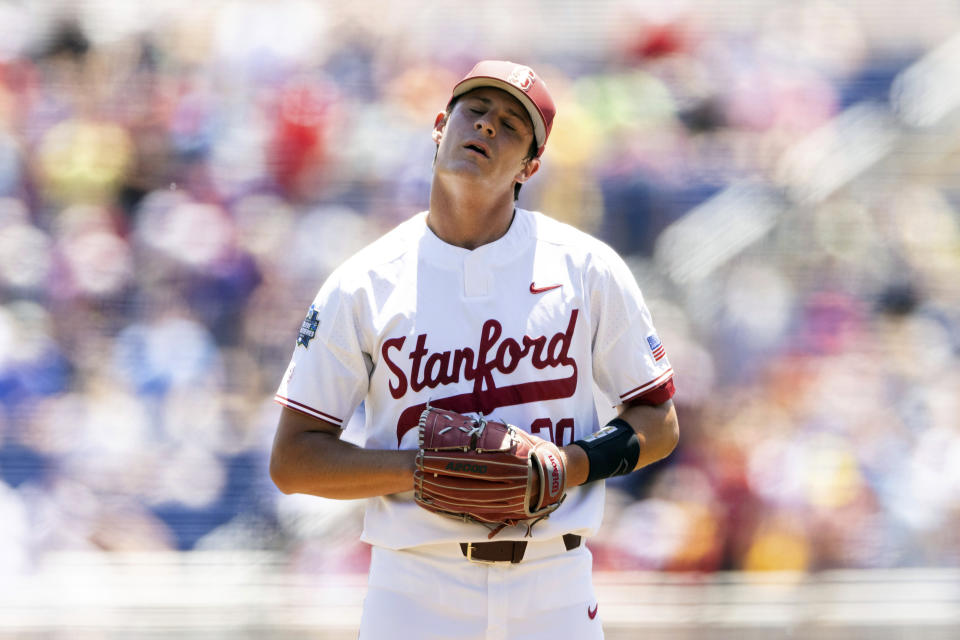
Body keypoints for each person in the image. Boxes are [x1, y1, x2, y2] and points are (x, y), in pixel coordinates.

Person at [269, 60, 679, 639]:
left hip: (552, 583)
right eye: (476, 110)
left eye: (512, 124)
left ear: (530, 166)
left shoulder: (587, 269)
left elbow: (658, 420)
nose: (488, 126)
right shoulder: (363, 282)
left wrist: (568, 465)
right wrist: (421, 470)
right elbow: (292, 460)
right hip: (414, 589)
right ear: (441, 125)